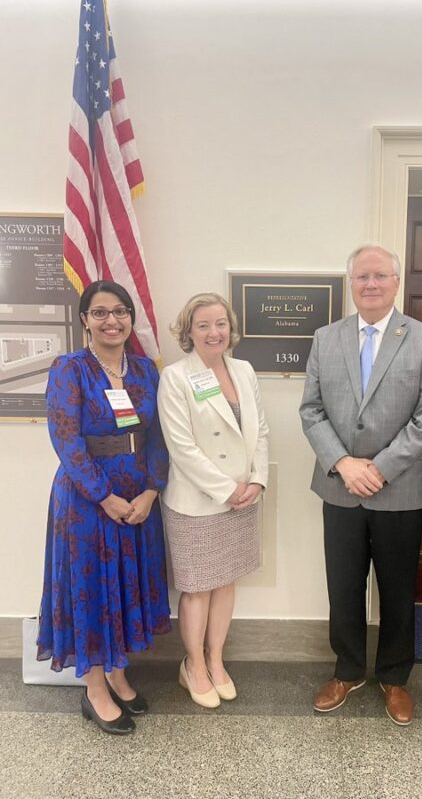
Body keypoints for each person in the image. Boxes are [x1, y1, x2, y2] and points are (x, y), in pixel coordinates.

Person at [299, 244, 422, 725]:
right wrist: (343, 462)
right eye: (362, 276)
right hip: (339, 486)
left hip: (398, 488)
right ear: (351, 283)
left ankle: (396, 678)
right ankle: (347, 669)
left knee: (398, 588)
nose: (371, 284)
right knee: (343, 586)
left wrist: (378, 467)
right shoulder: (326, 337)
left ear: (396, 282)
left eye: (380, 275)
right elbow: (312, 410)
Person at [37, 280, 172, 736]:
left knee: (124, 584)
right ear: (84, 320)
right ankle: (95, 687)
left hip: (138, 497)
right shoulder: (69, 369)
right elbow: (67, 441)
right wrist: (105, 496)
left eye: (120, 311)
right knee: (92, 588)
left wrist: (152, 490)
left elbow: (157, 436)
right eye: (100, 313)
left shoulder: (145, 370)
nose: (111, 320)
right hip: (86, 500)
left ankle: (117, 671)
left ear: (131, 317)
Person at [158, 293, 268, 708]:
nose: (213, 332)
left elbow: (261, 432)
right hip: (197, 501)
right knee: (197, 588)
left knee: (225, 582)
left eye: (220, 323)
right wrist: (227, 488)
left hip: (243, 498)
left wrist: (257, 481)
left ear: (230, 327)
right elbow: (181, 447)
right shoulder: (176, 376)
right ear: (188, 331)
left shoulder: (244, 370)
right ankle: (193, 666)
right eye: (202, 325)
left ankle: (216, 660)